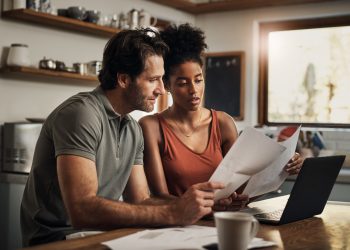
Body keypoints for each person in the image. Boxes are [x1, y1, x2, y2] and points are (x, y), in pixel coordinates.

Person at [20, 28, 225, 246]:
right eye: (153, 80)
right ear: (124, 79)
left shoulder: (132, 128)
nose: (162, 90)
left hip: (100, 236)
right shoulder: (81, 114)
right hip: (56, 240)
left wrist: (197, 205)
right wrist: (174, 213)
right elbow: (82, 210)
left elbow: (141, 200)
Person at [139, 24, 303, 212]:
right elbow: (159, 196)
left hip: (223, 222)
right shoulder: (151, 127)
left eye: (198, 80)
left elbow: (241, 188)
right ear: (167, 84)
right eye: (183, 83)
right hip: (178, 226)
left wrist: (282, 168)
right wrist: (208, 206)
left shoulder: (223, 123)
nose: (194, 90)